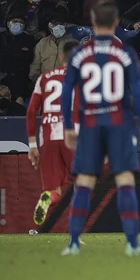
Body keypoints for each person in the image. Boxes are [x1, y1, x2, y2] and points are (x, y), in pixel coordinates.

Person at [59, 1, 140, 255]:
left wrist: (68, 125)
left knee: (85, 182)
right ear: (115, 23)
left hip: (90, 123)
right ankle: (133, 245)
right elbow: (137, 90)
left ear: (92, 21)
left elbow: (67, 90)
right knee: (124, 180)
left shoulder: (80, 53)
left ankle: (73, 243)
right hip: (118, 123)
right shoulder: (124, 53)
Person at [26, 41, 79, 224]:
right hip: (73, 137)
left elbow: (31, 111)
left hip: (48, 138)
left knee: (53, 190)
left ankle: (47, 198)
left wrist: (32, 145)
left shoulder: (45, 77)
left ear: (62, 57)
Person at [29, 14, 77, 83]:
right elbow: (36, 63)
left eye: (61, 24)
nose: (58, 26)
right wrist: (34, 76)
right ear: (50, 27)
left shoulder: (73, 43)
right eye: (55, 24)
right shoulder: (43, 43)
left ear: (65, 26)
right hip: (45, 81)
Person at [0, 16, 36, 102]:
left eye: (21, 22)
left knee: (19, 97)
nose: (18, 24)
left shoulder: (29, 40)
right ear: (8, 24)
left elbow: (32, 60)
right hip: (2, 73)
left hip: (20, 76)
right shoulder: (1, 37)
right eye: (15, 21)